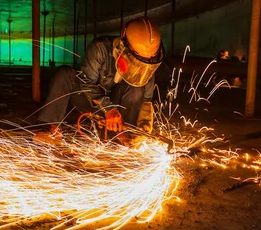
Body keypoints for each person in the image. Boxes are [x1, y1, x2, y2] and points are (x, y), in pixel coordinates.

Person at [36, 17, 165, 143]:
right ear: (124, 45)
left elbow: (146, 101)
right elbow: (85, 82)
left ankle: (125, 135)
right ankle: (51, 129)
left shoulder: (147, 64)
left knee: (137, 89)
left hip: (120, 110)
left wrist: (144, 125)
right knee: (65, 74)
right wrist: (109, 108)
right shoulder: (100, 48)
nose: (141, 66)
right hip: (90, 100)